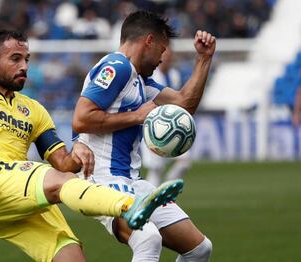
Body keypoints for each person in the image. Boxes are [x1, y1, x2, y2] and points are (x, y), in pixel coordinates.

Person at [0, 29, 184, 262]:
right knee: (59, 182)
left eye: (26, 59)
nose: (24, 66)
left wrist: (77, 149)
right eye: (15, 59)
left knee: (69, 253)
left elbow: (64, 164)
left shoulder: (34, 110)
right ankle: (130, 206)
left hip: (17, 197)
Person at [72, 11, 215, 262]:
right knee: (148, 238)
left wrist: (203, 59)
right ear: (148, 40)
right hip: (101, 178)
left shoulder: (139, 80)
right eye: (162, 49)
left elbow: (184, 105)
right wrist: (137, 116)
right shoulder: (116, 67)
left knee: (199, 249)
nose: (162, 58)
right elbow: (81, 120)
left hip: (131, 180)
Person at [140, 45, 192, 186]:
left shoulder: (174, 75)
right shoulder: (151, 76)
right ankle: (152, 198)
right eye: (165, 56)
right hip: (153, 127)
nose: (167, 59)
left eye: (170, 56)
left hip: (173, 125)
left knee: (185, 161)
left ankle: (166, 187)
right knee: (156, 169)